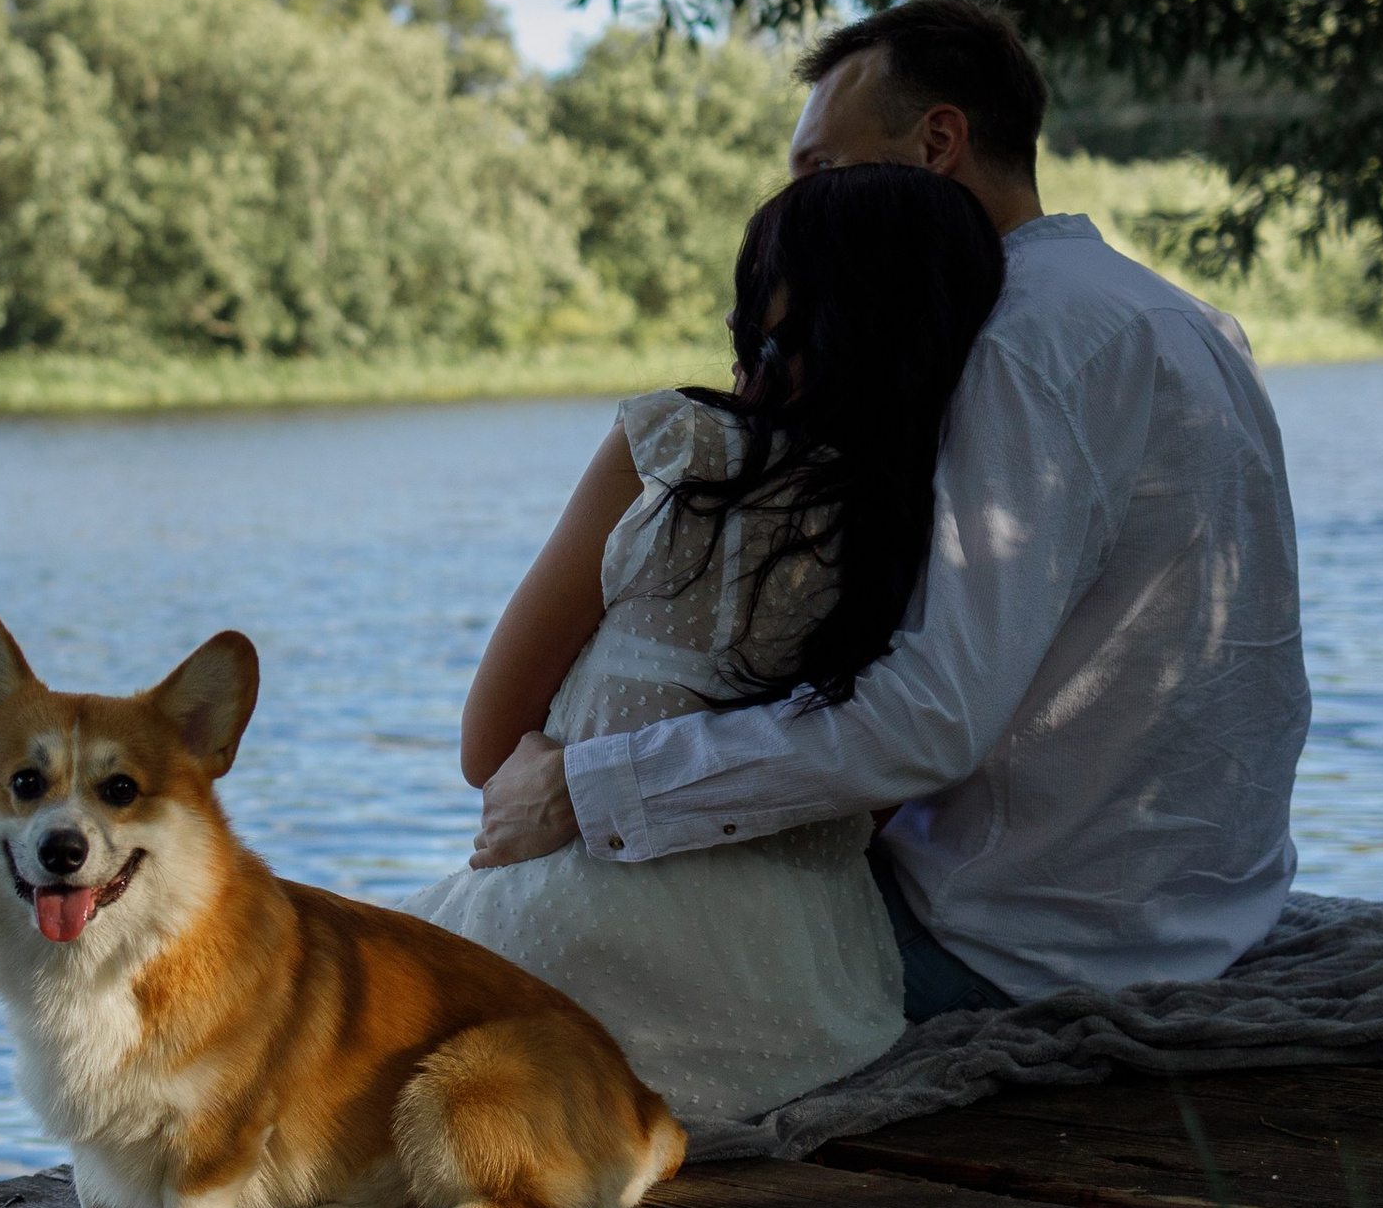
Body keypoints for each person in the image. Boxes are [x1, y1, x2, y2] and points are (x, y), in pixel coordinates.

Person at [469, 0, 1312, 1019]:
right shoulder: (1190, 322)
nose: (796, 203)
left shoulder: (1012, 348)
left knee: (530, 965)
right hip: (1202, 910)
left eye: (818, 167)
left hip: (1018, 942)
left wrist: (590, 788)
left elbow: (928, 719)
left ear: (938, 141)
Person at [406, 163, 1004, 1124]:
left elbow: (487, 746)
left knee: (325, 987)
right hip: (812, 996)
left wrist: (573, 768)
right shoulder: (932, 520)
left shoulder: (673, 449)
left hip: (586, 939)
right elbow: (882, 785)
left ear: (774, 313)